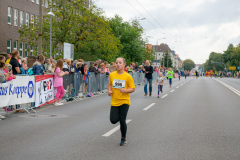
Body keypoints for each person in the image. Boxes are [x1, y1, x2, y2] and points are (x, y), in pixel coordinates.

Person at [108, 57, 135, 146]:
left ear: (124, 64)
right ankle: (120, 117)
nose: (118, 64)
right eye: (117, 63)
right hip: (115, 101)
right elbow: (110, 84)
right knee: (113, 120)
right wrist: (109, 91)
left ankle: (123, 138)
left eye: (120, 62)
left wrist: (125, 91)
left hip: (124, 101)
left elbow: (133, 88)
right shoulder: (112, 75)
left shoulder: (128, 76)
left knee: (122, 120)